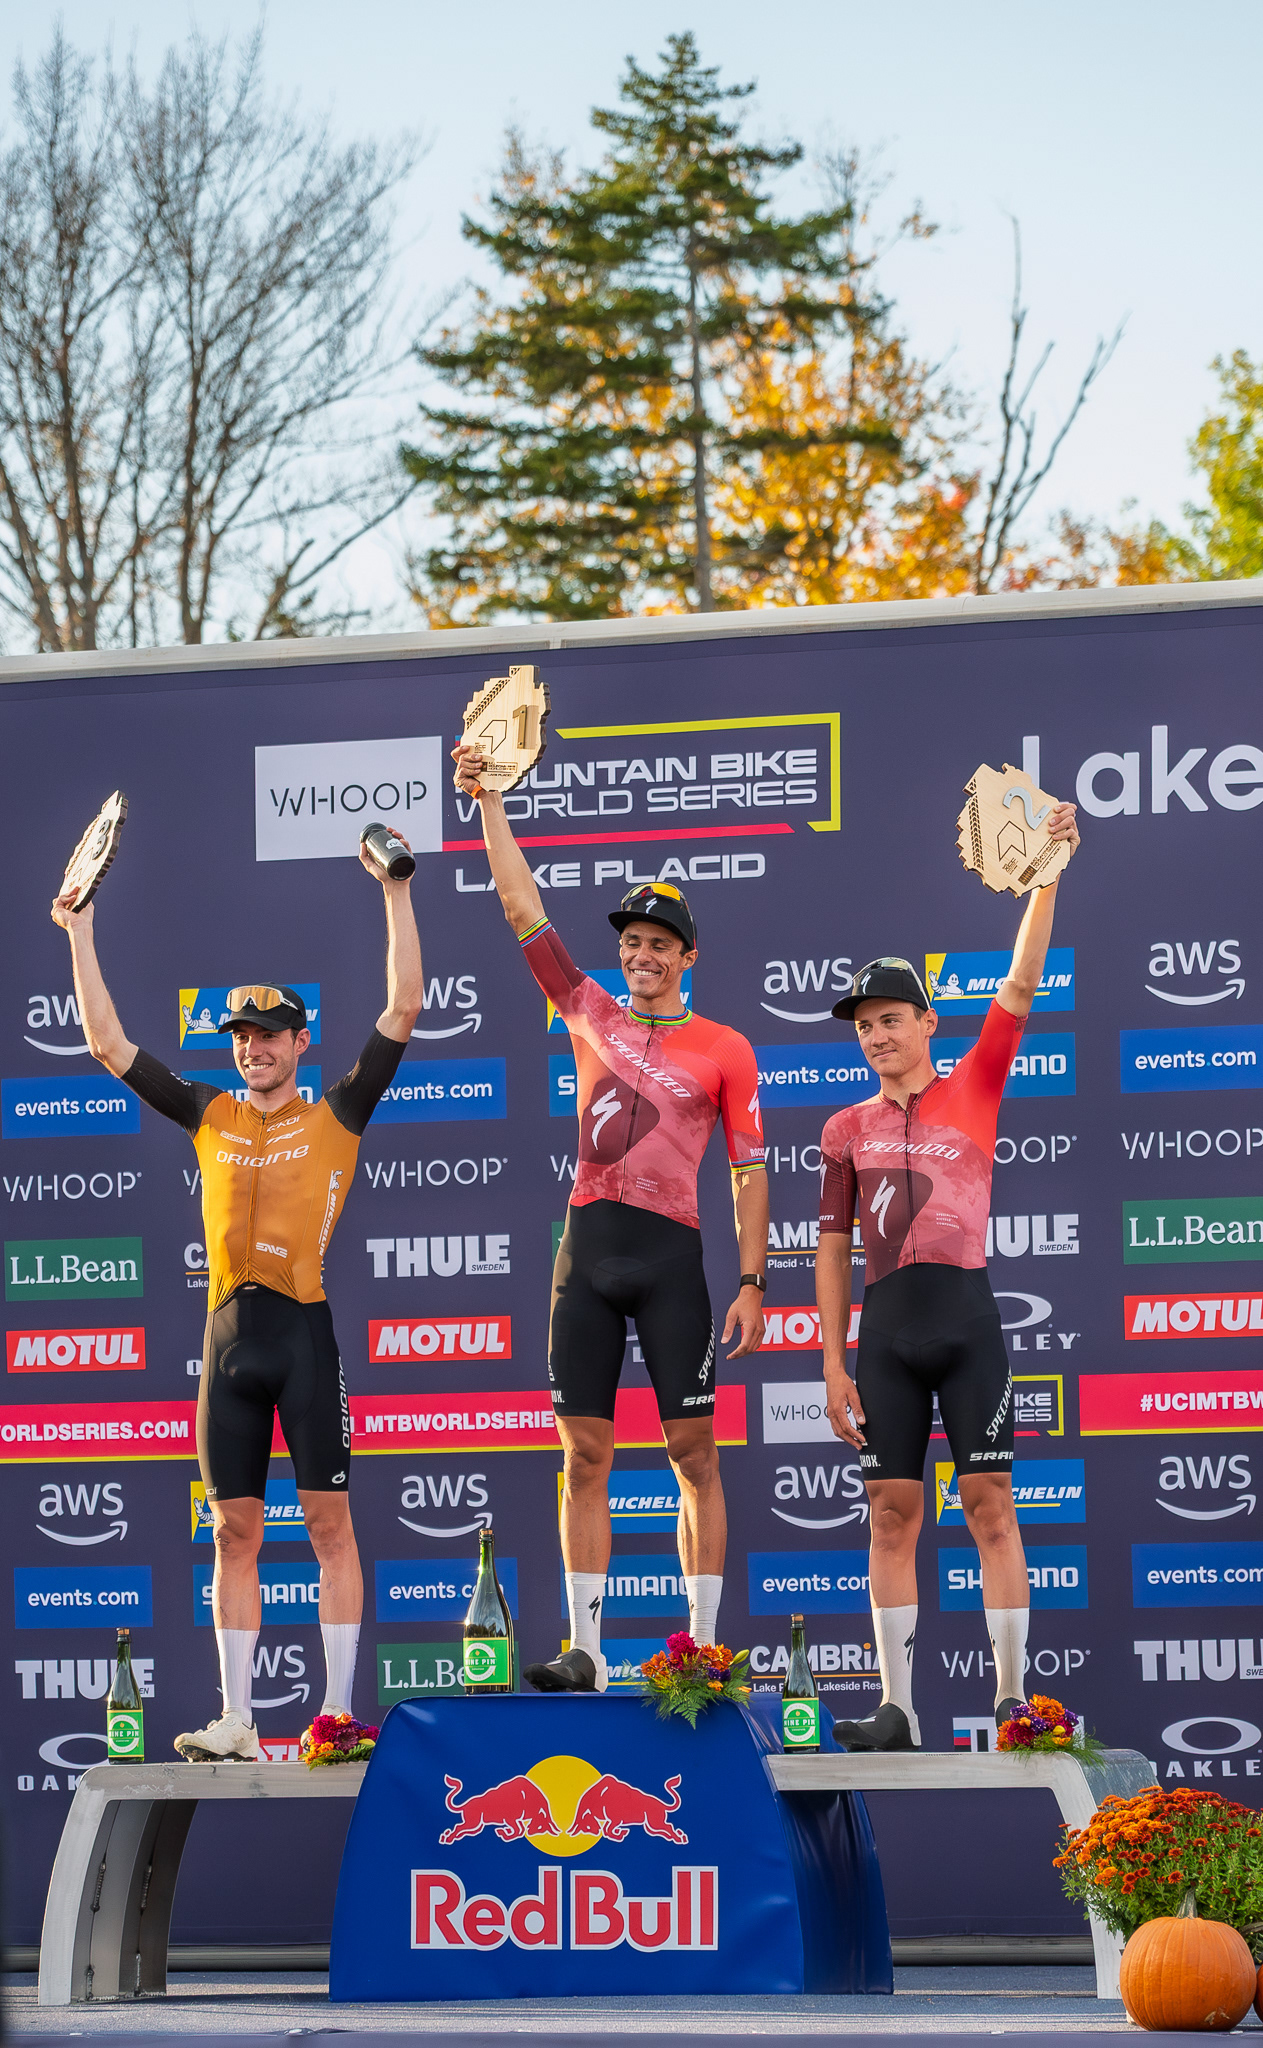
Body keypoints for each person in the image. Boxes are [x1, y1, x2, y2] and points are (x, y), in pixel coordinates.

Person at [52, 847, 423, 1760]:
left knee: (331, 1526)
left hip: (303, 1332)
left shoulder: (338, 1113)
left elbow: (404, 1005)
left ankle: (335, 1715)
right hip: (228, 1342)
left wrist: (396, 891)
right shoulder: (207, 1111)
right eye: (240, 1037)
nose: (252, 1048)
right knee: (232, 1532)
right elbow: (106, 1044)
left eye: (269, 1035)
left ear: (301, 1043)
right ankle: (237, 1722)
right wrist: (79, 926)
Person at [452, 742, 768, 1692]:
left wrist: (753, 1280)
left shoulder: (725, 1047)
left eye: (657, 945)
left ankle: (702, 1646)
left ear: (687, 957)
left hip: (673, 1257)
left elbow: (751, 1169)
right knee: (583, 1451)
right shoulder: (587, 1010)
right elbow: (521, 911)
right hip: (586, 1249)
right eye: (630, 942)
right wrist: (491, 804)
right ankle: (584, 1646)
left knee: (690, 1451)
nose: (640, 955)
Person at [814, 804, 1080, 1751]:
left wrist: (1045, 872)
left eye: (891, 1019)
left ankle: (1010, 1697)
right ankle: (898, 1706)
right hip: (883, 1332)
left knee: (988, 1506)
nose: (876, 1035)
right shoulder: (841, 1130)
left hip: (965, 1316)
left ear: (927, 1021)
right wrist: (832, 1362)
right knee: (890, 1513)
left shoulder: (976, 1080)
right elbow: (834, 1246)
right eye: (864, 1025)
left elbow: (1019, 981)